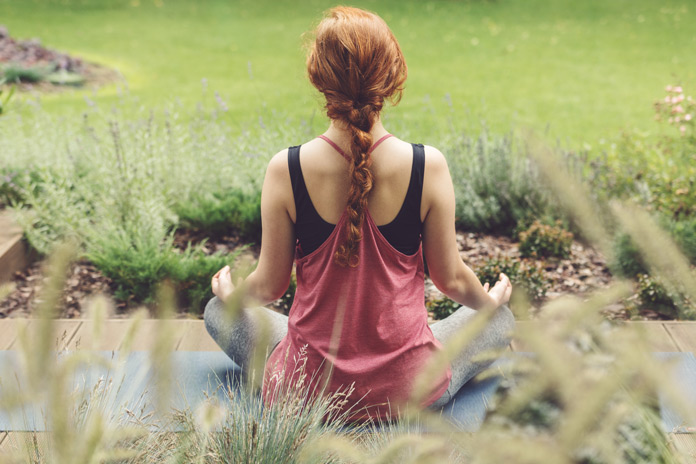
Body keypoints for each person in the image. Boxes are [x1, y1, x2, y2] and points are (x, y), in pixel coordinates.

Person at [204, 5, 514, 421]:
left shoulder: (287, 168)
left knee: (215, 312)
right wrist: (489, 304)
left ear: (318, 77)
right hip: (409, 391)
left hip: (306, 392)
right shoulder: (428, 166)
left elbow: (270, 286)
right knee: (499, 320)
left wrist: (232, 296)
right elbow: (453, 279)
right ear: (392, 74)